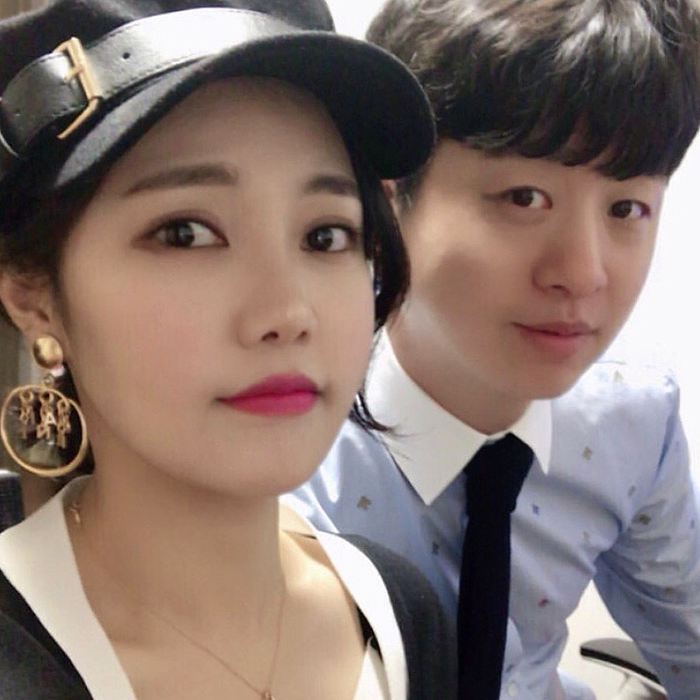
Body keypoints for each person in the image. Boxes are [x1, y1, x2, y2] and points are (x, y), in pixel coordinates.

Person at [0, 1, 456, 699]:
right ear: (35, 297)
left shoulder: (401, 614)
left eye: (326, 235)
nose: (287, 314)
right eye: (186, 233)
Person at [288, 1, 700, 699]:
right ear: (389, 200)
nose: (583, 274)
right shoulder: (294, 458)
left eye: (626, 209)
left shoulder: (632, 424)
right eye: (523, 198)